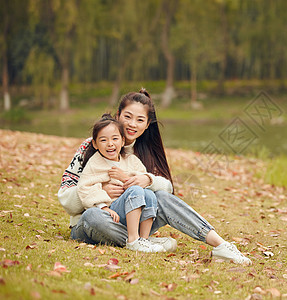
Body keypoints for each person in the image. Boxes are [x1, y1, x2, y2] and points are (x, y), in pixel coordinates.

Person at [58, 88, 251, 265]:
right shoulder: (93, 146)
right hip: (95, 221)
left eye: (140, 120)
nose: (132, 124)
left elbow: (166, 190)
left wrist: (148, 180)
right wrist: (101, 192)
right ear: (118, 115)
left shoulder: (145, 152)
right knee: (93, 216)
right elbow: (66, 198)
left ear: (147, 125)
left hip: (132, 220)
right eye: (127, 117)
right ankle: (144, 242)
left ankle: (220, 245)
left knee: (161, 196)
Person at [78, 114, 164, 253]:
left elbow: (143, 180)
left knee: (147, 193)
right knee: (93, 215)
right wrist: (104, 207)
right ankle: (132, 240)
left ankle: (143, 240)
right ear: (95, 144)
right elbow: (85, 187)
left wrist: (125, 179)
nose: (110, 144)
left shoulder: (131, 160)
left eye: (115, 139)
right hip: (110, 213)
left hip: (132, 214)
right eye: (103, 140)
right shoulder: (95, 163)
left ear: (123, 141)